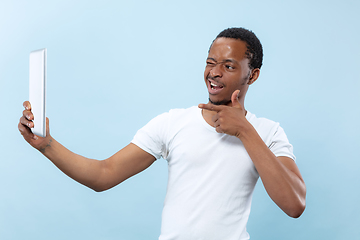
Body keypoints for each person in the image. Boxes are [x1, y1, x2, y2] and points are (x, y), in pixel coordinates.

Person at [19, 27, 306, 240]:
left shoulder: (267, 132)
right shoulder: (172, 123)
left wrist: (244, 130)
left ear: (252, 75)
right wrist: (47, 146)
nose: (214, 73)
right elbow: (103, 174)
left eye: (228, 66)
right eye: (210, 62)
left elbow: (294, 205)